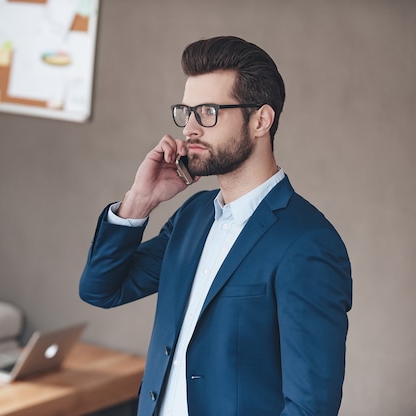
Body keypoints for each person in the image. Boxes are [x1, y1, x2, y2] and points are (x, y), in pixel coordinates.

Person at [79, 36, 352, 416]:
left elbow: (311, 407)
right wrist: (139, 201)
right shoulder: (193, 216)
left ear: (261, 120)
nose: (190, 128)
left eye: (207, 111)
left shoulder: (307, 243)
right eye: (187, 111)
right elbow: (101, 289)